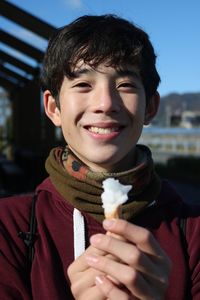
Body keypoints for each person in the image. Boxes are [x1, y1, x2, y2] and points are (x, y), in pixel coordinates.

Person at [0, 14, 200, 300]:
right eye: (83, 85)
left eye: (126, 85)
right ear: (53, 107)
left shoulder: (193, 233)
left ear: (150, 108)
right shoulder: (9, 228)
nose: (105, 104)